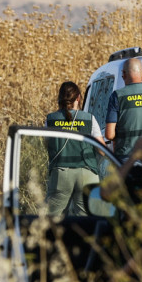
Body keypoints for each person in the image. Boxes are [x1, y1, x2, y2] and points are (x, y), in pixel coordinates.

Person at [45, 81, 104, 218]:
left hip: (60, 174)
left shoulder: (51, 119)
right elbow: (101, 149)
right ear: (78, 98)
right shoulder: (89, 119)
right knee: (88, 220)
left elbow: (48, 145)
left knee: (51, 220)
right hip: (87, 173)